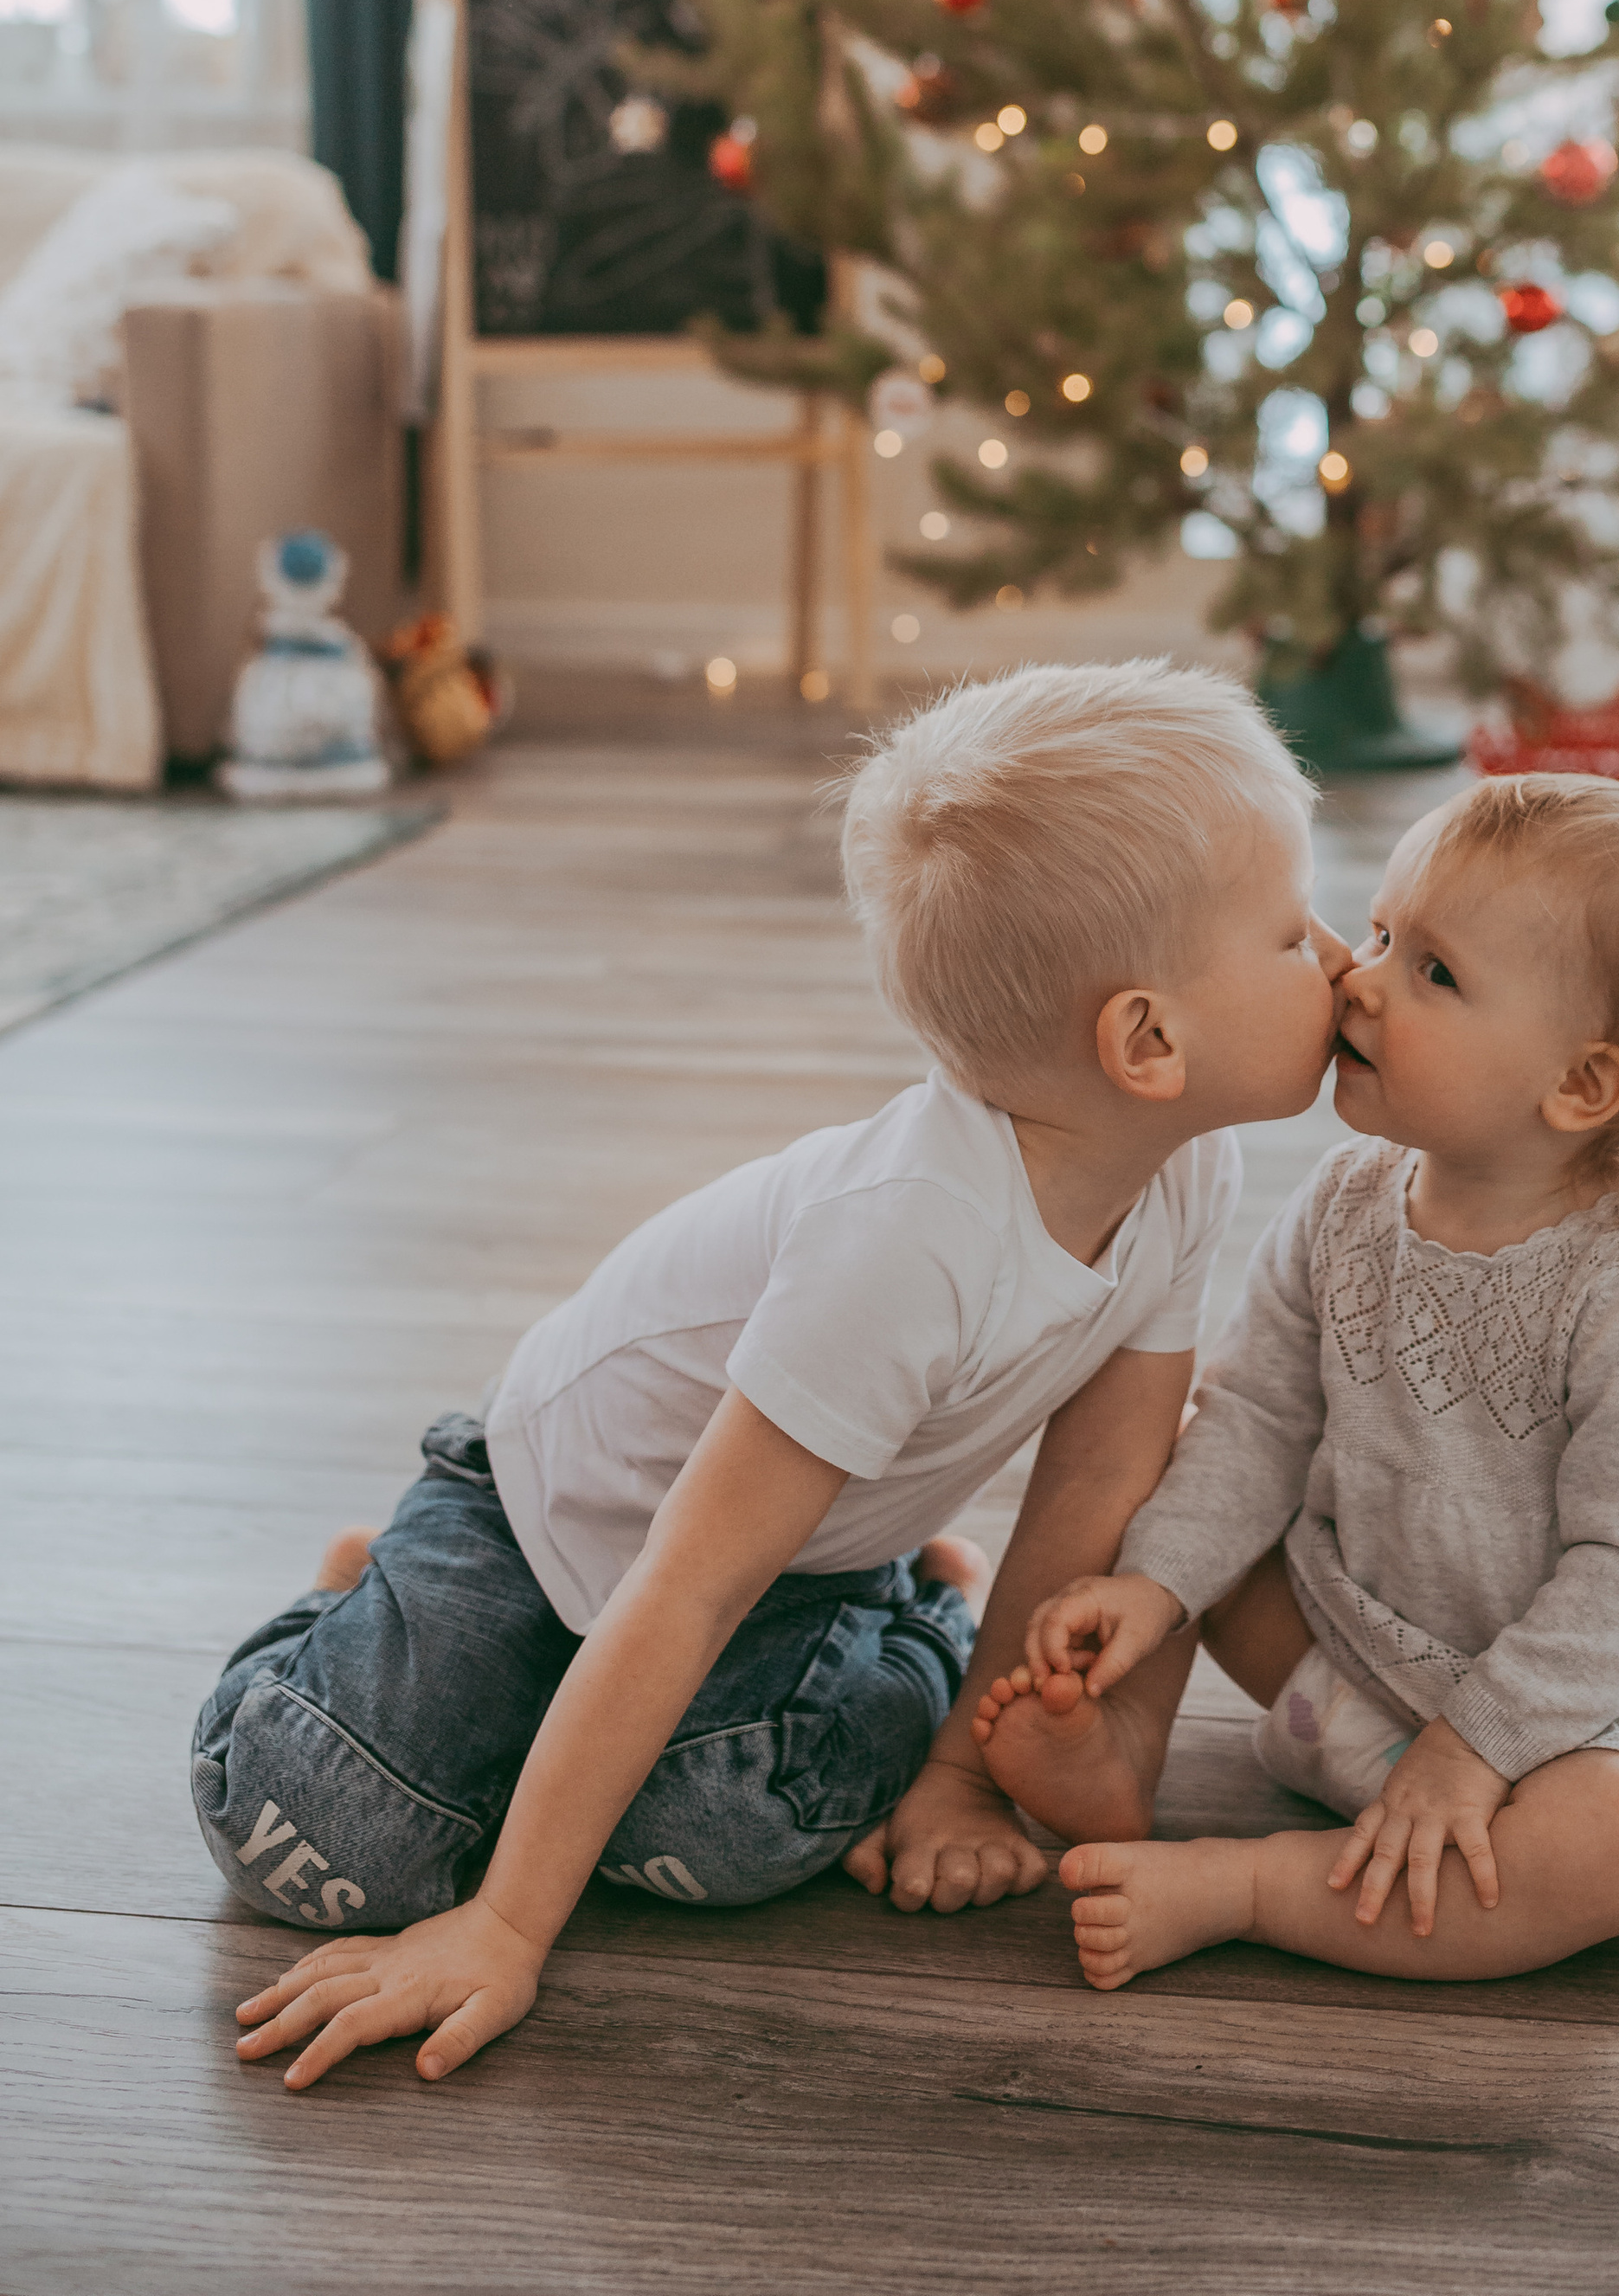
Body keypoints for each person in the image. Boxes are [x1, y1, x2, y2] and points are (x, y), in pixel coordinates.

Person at [197, 658, 1351, 2088]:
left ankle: (910, 1599)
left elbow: (1104, 1476)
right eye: (1296, 935)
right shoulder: (910, 1242)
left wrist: (960, 1775)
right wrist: (503, 1929)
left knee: (741, 1833)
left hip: (785, 1565)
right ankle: (360, 1592)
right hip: (549, 1522)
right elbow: (682, 1582)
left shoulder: (1185, 1171)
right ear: (1148, 1041)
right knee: (312, 1840)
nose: (1345, 960)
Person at [970, 770, 1619, 1990]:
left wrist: (1474, 1748)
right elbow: (1258, 1421)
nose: (1360, 975)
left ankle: (1253, 1889)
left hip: (1561, 1722)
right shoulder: (1345, 1207)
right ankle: (1129, 1748)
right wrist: (1156, 1587)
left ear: (1582, 1087)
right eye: (1387, 932)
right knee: (1193, 1470)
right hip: (1352, 1645)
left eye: (1433, 972)